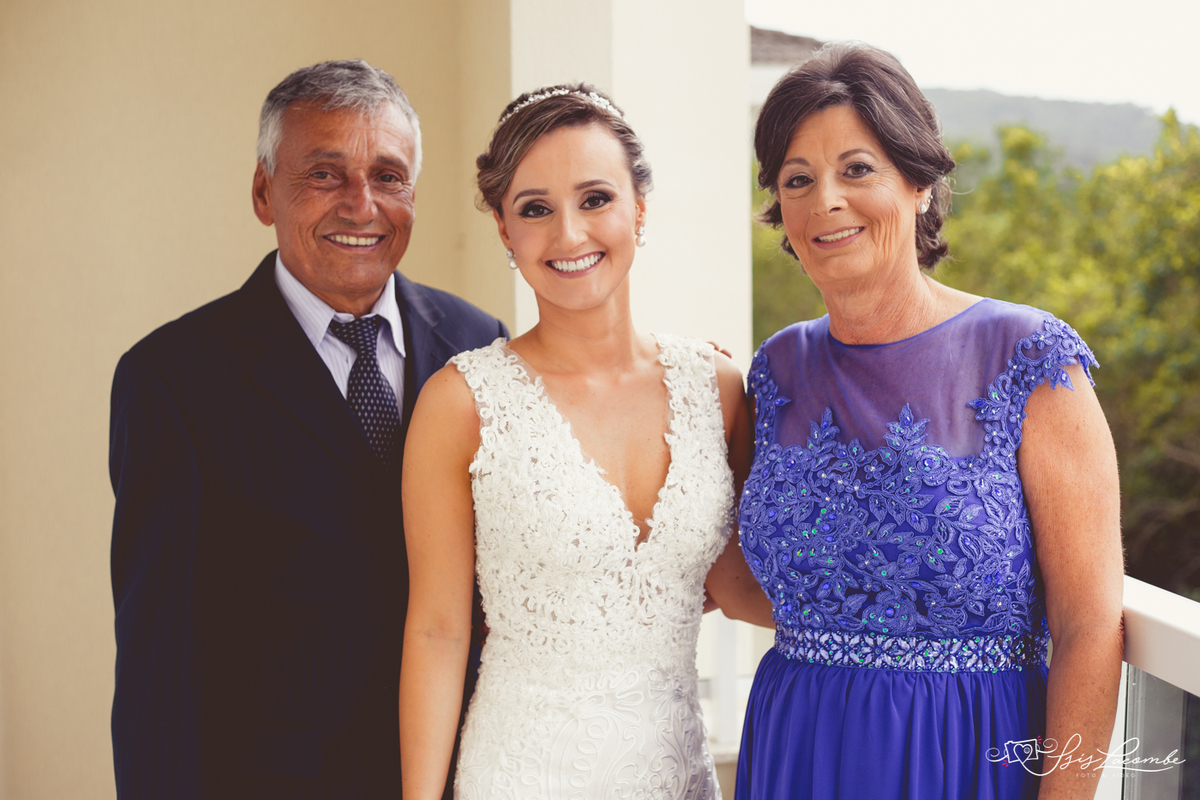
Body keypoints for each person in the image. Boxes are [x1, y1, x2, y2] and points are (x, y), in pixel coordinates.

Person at [109, 59, 507, 799]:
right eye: (325, 175)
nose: (362, 205)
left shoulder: (479, 344)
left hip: (466, 775)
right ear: (264, 192)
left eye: (388, 176)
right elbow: (158, 668)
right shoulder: (172, 381)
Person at [735, 43, 1124, 800]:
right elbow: (748, 576)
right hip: (796, 751)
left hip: (968, 756)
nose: (826, 201)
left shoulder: (1029, 358)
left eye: (857, 169)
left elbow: (1088, 626)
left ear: (918, 183)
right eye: (797, 179)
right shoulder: (776, 369)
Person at [398, 84, 773, 799]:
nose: (569, 235)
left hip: (676, 776)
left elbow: (736, 583)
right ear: (505, 231)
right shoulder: (461, 402)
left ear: (640, 208)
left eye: (595, 199)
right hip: (519, 776)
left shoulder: (717, 387)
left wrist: (918, 606)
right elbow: (439, 631)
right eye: (535, 209)